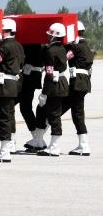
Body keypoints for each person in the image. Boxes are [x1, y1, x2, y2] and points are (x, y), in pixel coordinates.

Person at [0, 18, 24, 163]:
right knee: (9, 115)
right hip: (14, 84)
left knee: (3, 117)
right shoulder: (19, 45)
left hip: (3, 85)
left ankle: (4, 151)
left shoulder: (3, 47)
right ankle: (7, 146)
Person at [37, 23, 70, 157]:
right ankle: (40, 140)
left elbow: (49, 73)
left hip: (54, 85)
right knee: (46, 112)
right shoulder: (62, 48)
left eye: (50, 35)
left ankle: (54, 146)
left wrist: (44, 93)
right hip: (61, 82)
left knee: (54, 115)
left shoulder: (51, 51)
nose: (48, 36)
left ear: (54, 36)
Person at [62, 21, 94, 156]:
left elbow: (63, 57)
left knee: (77, 113)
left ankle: (84, 145)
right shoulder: (86, 46)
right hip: (84, 82)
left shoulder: (76, 48)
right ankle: (40, 135)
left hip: (78, 83)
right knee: (65, 107)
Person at [19, 43, 48, 152]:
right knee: (25, 107)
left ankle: (37, 138)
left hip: (28, 78)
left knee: (24, 107)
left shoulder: (33, 45)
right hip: (30, 77)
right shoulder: (43, 46)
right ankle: (37, 138)